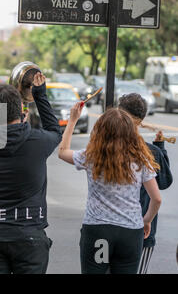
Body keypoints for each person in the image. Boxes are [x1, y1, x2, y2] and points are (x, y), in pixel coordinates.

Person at [0, 73, 61, 274]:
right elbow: (55, 130)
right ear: (20, 110)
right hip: (28, 234)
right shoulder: (38, 141)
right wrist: (39, 96)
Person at [58, 104, 162, 274]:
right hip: (130, 232)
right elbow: (156, 198)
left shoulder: (91, 156)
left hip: (99, 230)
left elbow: (63, 152)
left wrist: (72, 120)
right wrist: (147, 220)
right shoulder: (141, 160)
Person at [118, 93, 173, 274]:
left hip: (110, 227)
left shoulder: (105, 148)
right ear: (141, 119)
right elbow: (163, 183)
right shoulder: (151, 152)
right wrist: (161, 148)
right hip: (142, 229)